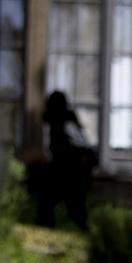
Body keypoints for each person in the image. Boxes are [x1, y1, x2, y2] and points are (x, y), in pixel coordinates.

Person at [37, 91, 95, 229]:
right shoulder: (62, 121)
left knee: (71, 205)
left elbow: (80, 146)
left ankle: (48, 228)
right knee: (56, 202)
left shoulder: (65, 121)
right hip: (69, 170)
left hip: (72, 171)